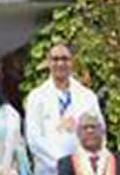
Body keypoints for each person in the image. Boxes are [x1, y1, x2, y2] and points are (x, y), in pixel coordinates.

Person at [24, 44, 103, 175]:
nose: (60, 63)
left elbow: (99, 131)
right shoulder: (36, 97)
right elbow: (33, 139)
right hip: (48, 170)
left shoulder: (88, 96)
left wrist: (83, 162)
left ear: (72, 62)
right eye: (55, 59)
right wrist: (62, 164)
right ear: (48, 63)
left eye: (65, 59)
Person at [56, 114, 120, 175]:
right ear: (78, 134)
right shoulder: (66, 164)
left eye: (93, 127)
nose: (90, 131)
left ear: (103, 132)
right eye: (85, 128)